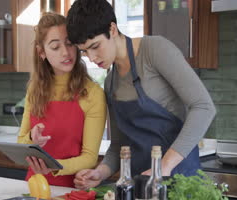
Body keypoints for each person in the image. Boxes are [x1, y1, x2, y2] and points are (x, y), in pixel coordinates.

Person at [66, 0, 216, 189]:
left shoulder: (154, 50)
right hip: (139, 186)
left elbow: (204, 107)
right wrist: (100, 172)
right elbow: (119, 143)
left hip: (180, 179)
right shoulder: (110, 82)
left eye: (95, 46)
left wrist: (164, 166)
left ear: (112, 29)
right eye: (84, 51)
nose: (92, 58)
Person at [18, 12, 107, 188]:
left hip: (71, 190)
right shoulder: (34, 90)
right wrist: (31, 139)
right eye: (55, 47)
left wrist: (53, 168)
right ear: (41, 52)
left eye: (69, 44)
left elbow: (90, 157)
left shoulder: (92, 93)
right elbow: (21, 142)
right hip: (33, 187)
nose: (66, 52)